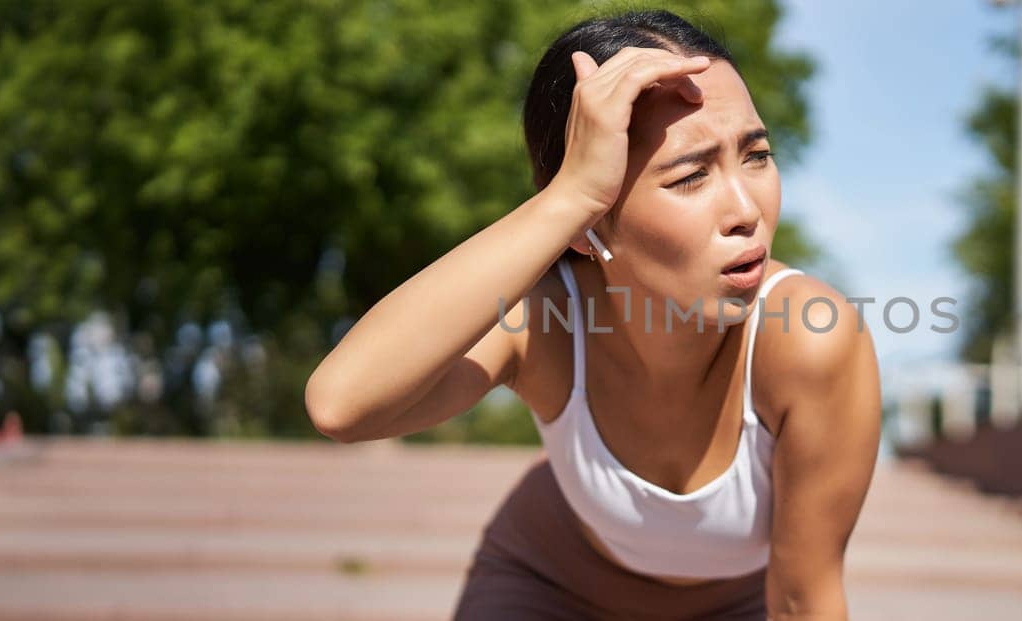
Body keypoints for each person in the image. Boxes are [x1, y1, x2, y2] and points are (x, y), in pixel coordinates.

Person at [305, 9, 881, 619]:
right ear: (591, 220)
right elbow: (341, 404)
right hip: (544, 583)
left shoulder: (810, 339)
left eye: (757, 155)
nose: (746, 209)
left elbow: (802, 600)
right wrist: (571, 197)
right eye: (690, 177)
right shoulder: (542, 321)